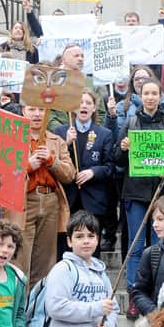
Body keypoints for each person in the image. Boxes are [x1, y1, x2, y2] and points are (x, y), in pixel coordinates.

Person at [113, 78, 164, 319]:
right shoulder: (130, 122)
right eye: (146, 93)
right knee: (137, 247)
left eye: (154, 93)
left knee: (157, 246)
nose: (150, 97)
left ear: (160, 96)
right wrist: (124, 147)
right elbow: (117, 159)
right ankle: (134, 294)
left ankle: (155, 293)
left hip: (160, 195)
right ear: (140, 95)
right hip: (135, 193)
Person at [3, 104, 75, 288]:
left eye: (41, 110)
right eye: (32, 109)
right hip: (23, 201)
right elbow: (1, 172)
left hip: (50, 201)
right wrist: (27, 166)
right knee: (19, 257)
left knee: (46, 261)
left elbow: (69, 174)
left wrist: (52, 161)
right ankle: (18, 309)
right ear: (23, 111)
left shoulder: (56, 140)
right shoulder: (12, 138)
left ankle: (38, 309)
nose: (37, 114)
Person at [45, 211, 119, 327]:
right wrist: (96, 308)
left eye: (91, 236)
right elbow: (56, 307)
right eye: (79, 236)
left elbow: (113, 308)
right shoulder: (62, 270)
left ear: (98, 240)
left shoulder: (101, 273)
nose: (86, 241)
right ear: (69, 241)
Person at [55, 89, 115, 252]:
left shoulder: (104, 134)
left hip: (93, 199)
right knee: (67, 248)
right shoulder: (61, 132)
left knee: (92, 248)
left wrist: (93, 172)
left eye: (88, 103)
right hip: (69, 199)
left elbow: (110, 167)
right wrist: (66, 143)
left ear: (94, 108)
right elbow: (53, 163)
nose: (84, 106)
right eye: (80, 102)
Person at [47, 45, 106, 132]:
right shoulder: (52, 83)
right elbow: (48, 113)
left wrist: (90, 131)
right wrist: (63, 131)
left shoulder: (92, 83)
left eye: (82, 56)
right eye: (76, 56)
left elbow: (100, 113)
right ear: (64, 60)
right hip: (60, 138)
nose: (80, 59)